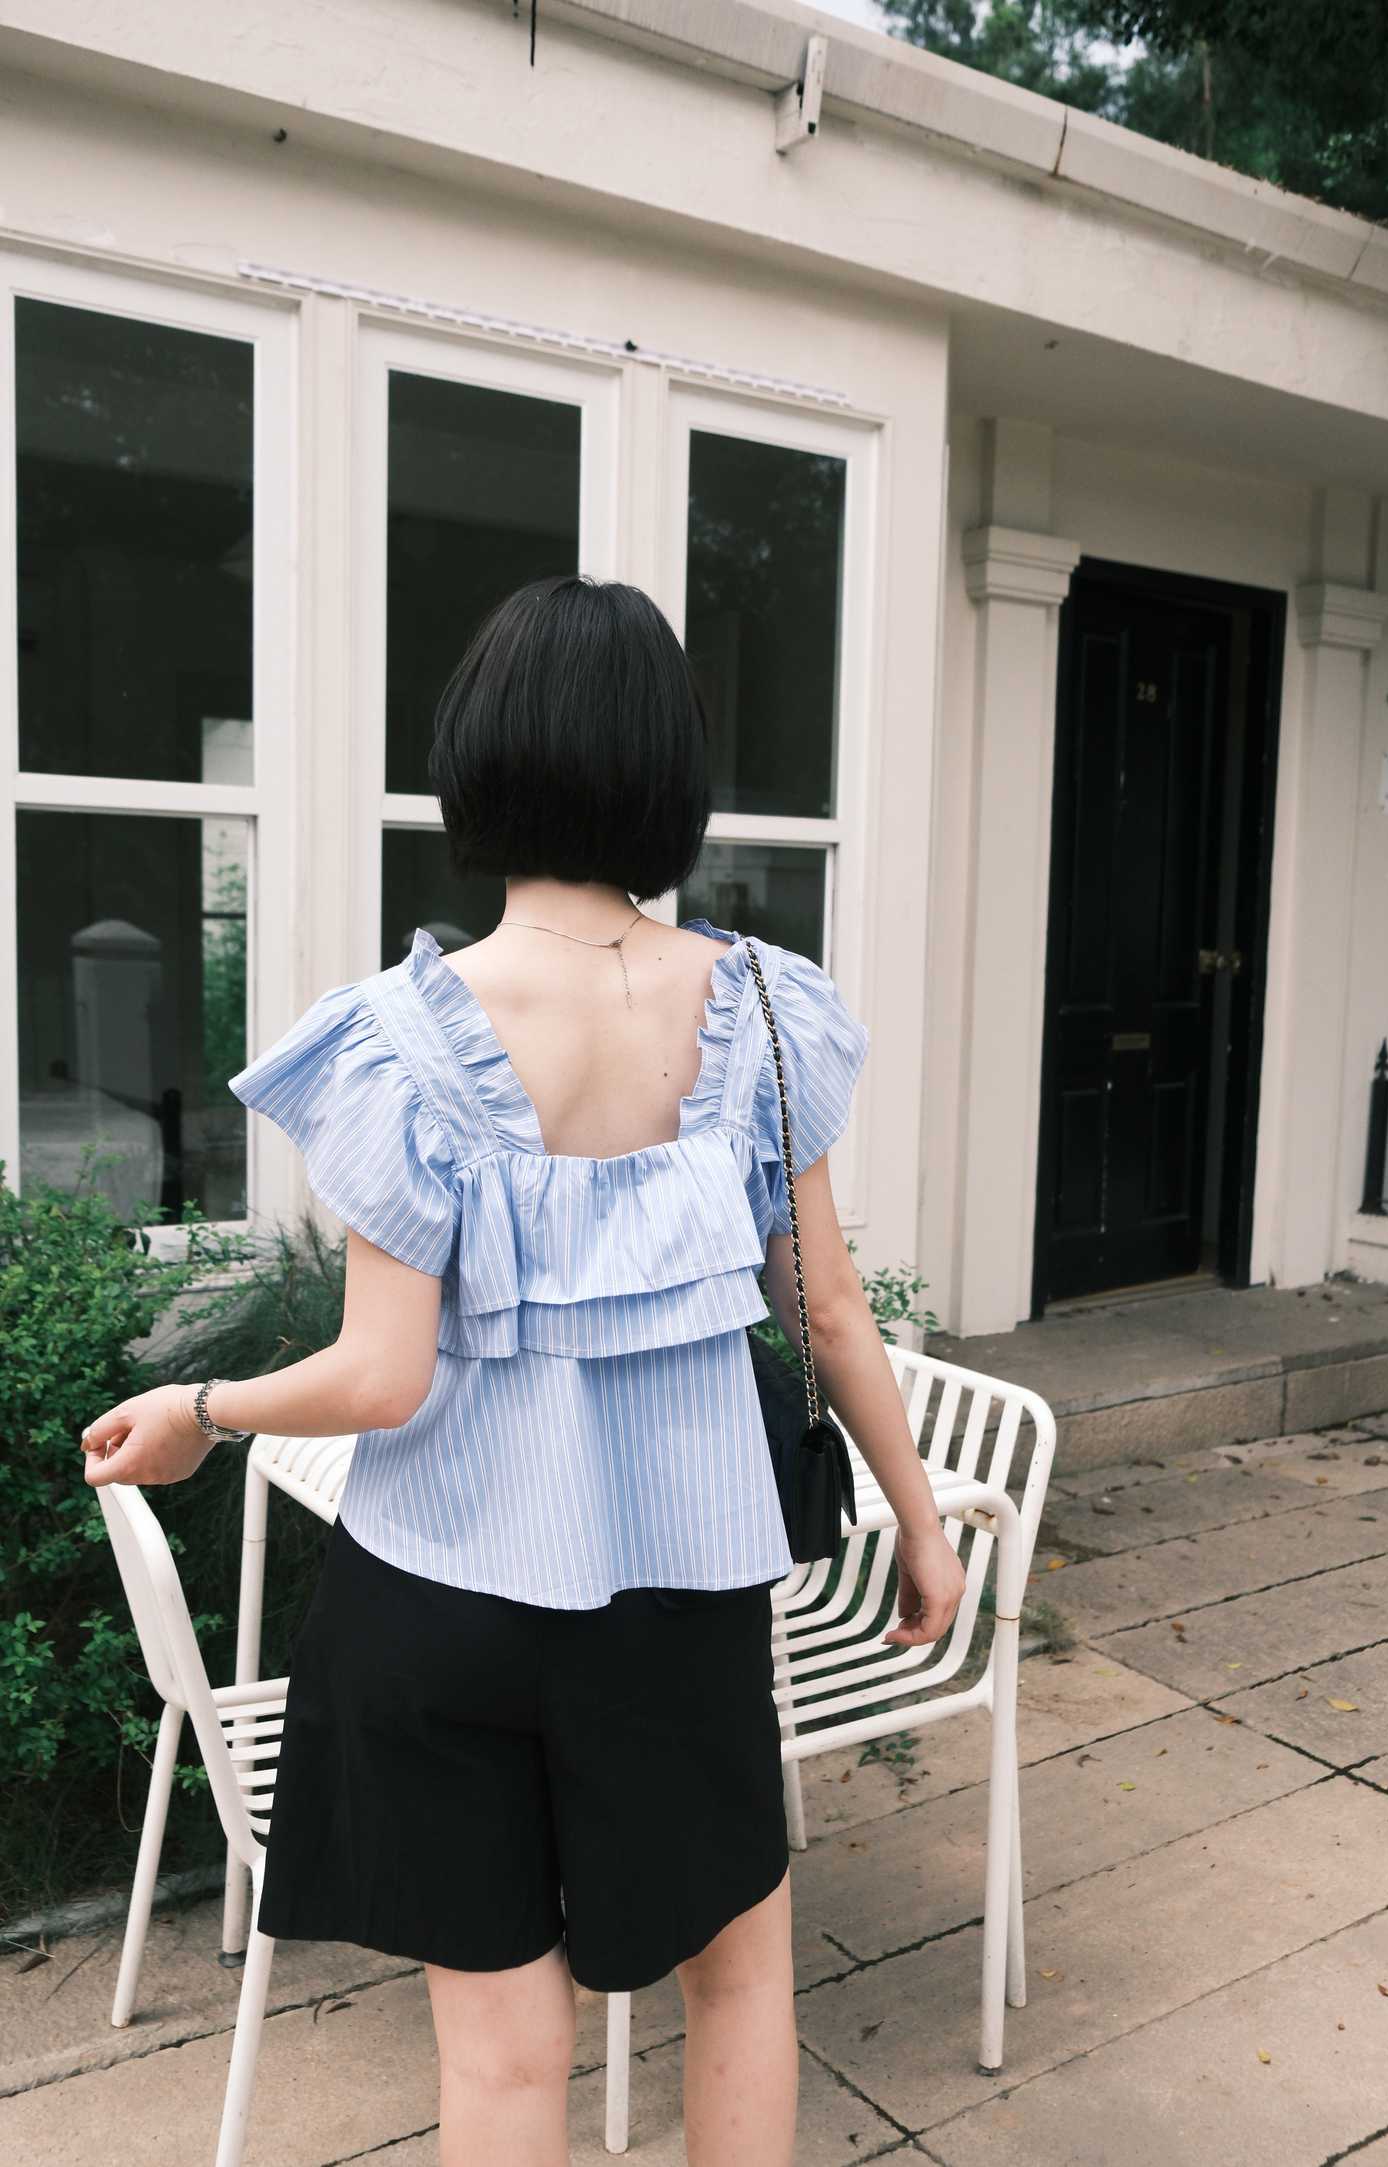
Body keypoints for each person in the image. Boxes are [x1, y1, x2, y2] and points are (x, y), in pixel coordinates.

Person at [84, 576, 967, 2167]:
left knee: (501, 2067)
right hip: (675, 1599)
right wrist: (920, 1516)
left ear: (477, 758)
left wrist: (205, 1412)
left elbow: (378, 1378)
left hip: (439, 1599)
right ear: (666, 774)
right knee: (744, 1977)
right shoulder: (764, 1007)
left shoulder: (397, 1037)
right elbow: (826, 1307)